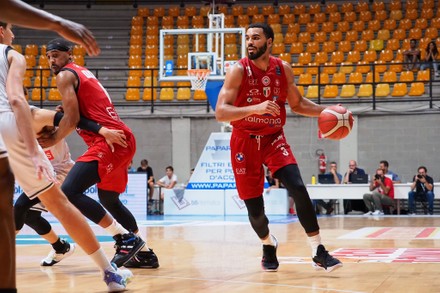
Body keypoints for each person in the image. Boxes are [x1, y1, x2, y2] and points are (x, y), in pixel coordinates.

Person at [0, 21, 131, 292]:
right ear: (1, 32)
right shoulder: (12, 55)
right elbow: (16, 101)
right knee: (61, 206)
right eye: (11, 28)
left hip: (59, 163)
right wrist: (35, 151)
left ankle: (73, 245)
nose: (13, 33)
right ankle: (109, 272)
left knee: (21, 210)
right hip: (9, 125)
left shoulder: (70, 75)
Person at [215, 23, 342, 272]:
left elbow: (297, 104)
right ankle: (267, 244)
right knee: (256, 211)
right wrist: (256, 108)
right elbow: (221, 112)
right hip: (244, 140)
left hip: (274, 138)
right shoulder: (238, 70)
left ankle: (318, 250)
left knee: (297, 186)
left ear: (269, 42)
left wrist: (327, 111)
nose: (250, 42)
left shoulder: (282, 68)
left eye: (256, 38)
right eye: (247, 38)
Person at [40, 38, 159, 269]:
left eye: (56, 55)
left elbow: (73, 119)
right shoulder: (82, 72)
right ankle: (144, 254)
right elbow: (83, 110)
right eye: (48, 56)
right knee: (109, 199)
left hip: (108, 141)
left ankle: (125, 239)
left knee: (70, 190)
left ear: (69, 54)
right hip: (120, 138)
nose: (51, 60)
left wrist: (54, 138)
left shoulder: (64, 75)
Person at [14, 105, 128, 267]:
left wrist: (102, 131)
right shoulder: (12, 125)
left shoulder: (37, 117)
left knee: (20, 206)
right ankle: (61, 248)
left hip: (60, 172)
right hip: (44, 172)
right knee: (31, 216)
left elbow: (74, 120)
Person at [0, 0, 99, 56]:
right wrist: (59, 25)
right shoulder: (14, 58)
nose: (13, 36)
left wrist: (59, 25)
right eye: (10, 28)